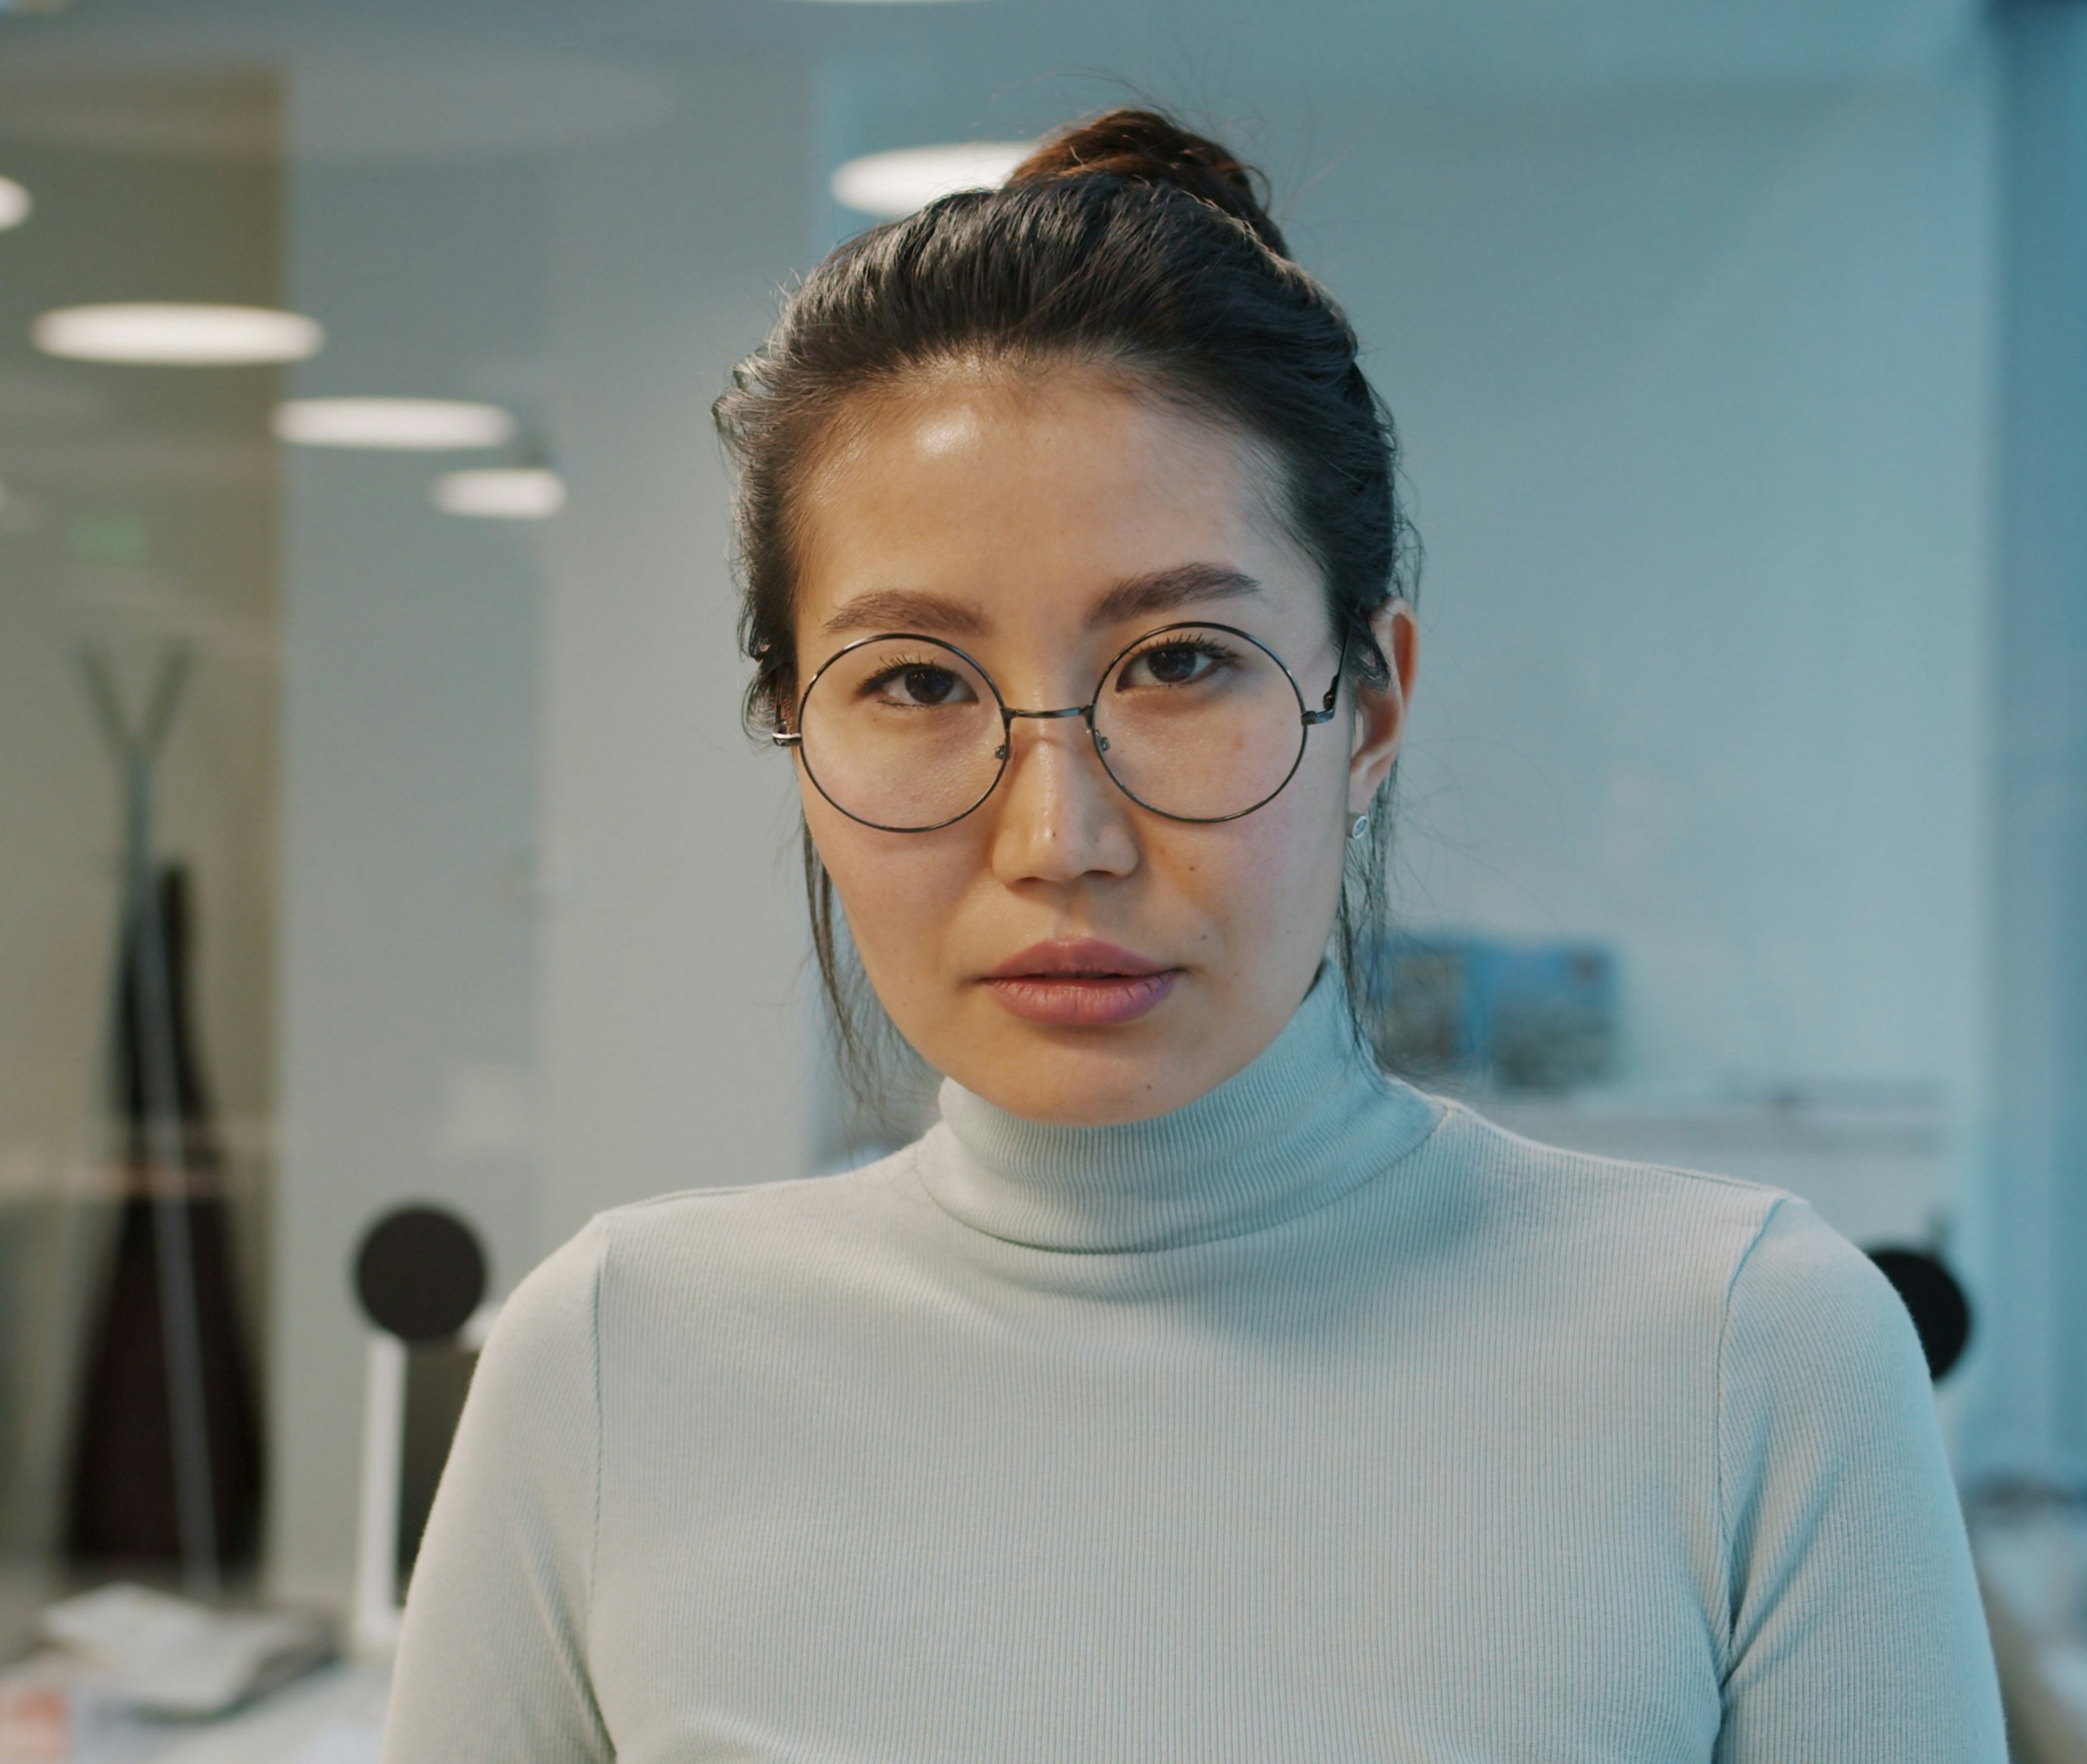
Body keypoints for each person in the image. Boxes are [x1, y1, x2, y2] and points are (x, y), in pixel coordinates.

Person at [383, 109, 2005, 1761]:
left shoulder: (1748, 1356)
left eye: (1177, 663)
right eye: (919, 686)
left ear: (1368, 709)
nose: (1058, 840)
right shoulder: (614, 1363)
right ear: (796, 737)